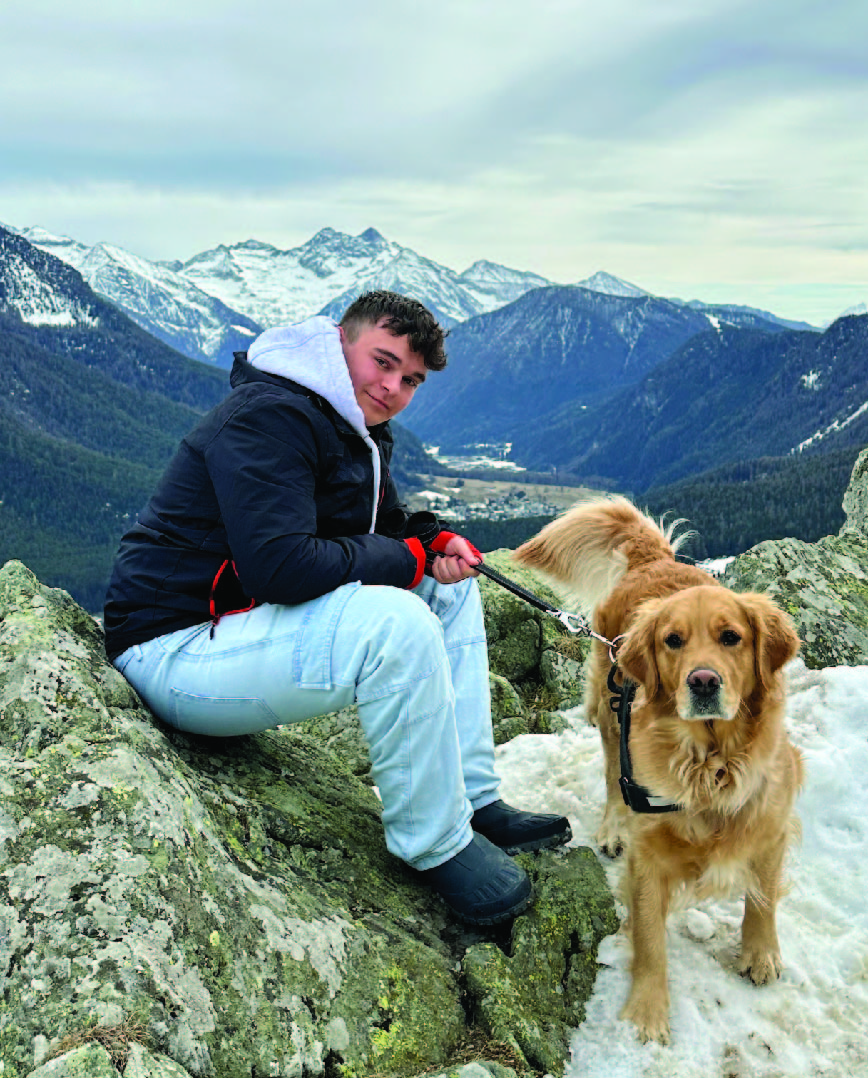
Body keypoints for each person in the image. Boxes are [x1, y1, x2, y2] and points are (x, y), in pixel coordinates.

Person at [104, 289, 571, 925]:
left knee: (448, 590)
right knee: (399, 624)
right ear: (339, 341)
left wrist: (429, 543)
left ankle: (472, 798)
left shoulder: (352, 424)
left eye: (410, 379)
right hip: (171, 650)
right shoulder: (269, 416)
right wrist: (407, 559)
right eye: (382, 362)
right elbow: (283, 566)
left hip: (236, 632)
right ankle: (435, 845)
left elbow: (379, 525)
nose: (393, 388)